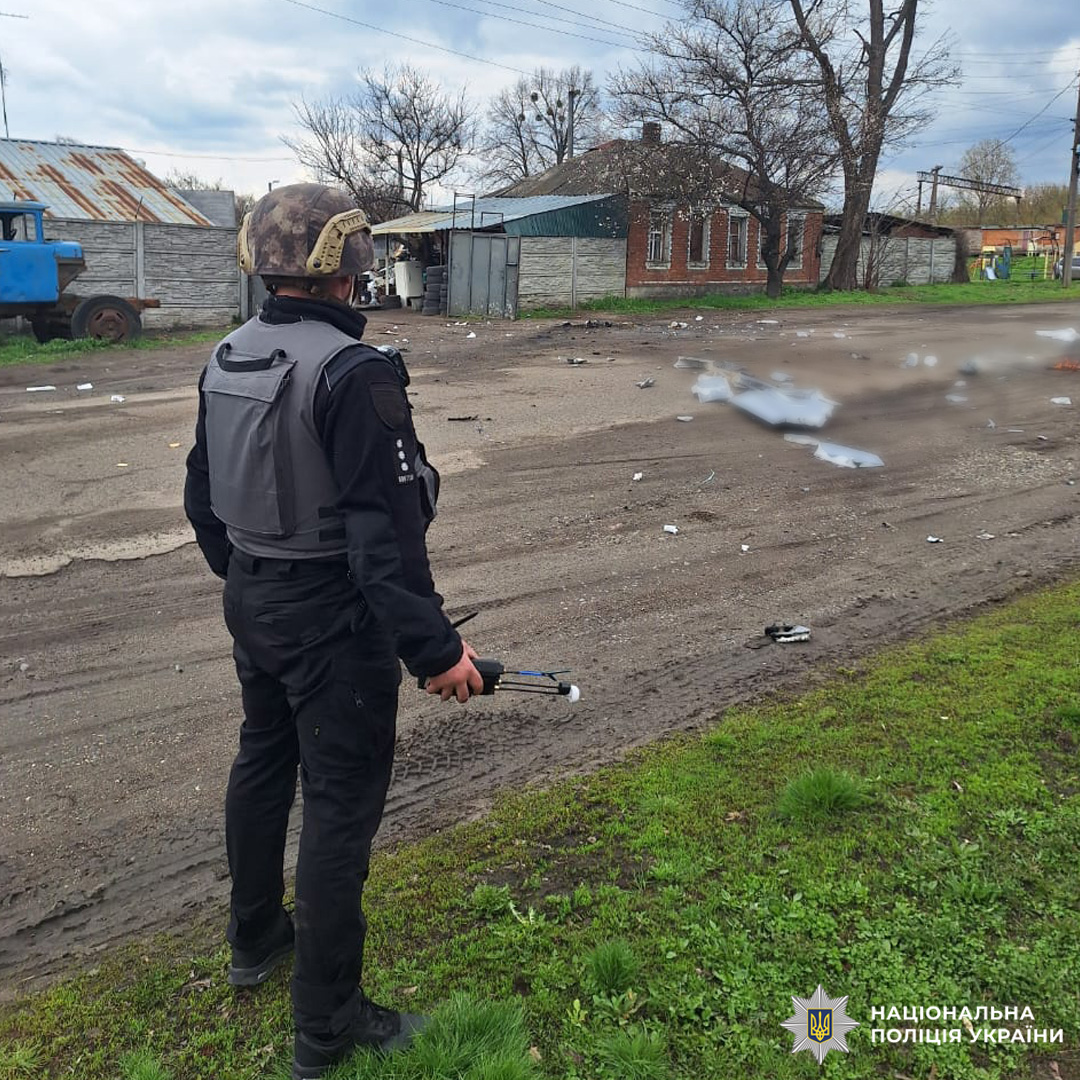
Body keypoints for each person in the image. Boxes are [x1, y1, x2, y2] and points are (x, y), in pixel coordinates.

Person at [183, 183, 483, 1080]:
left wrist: (246, 578)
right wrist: (438, 652)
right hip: (328, 618)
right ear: (349, 263)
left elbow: (201, 498)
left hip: (253, 598)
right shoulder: (356, 374)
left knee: (264, 759)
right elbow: (383, 544)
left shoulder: (227, 353)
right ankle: (328, 1026)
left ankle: (254, 939)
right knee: (340, 811)